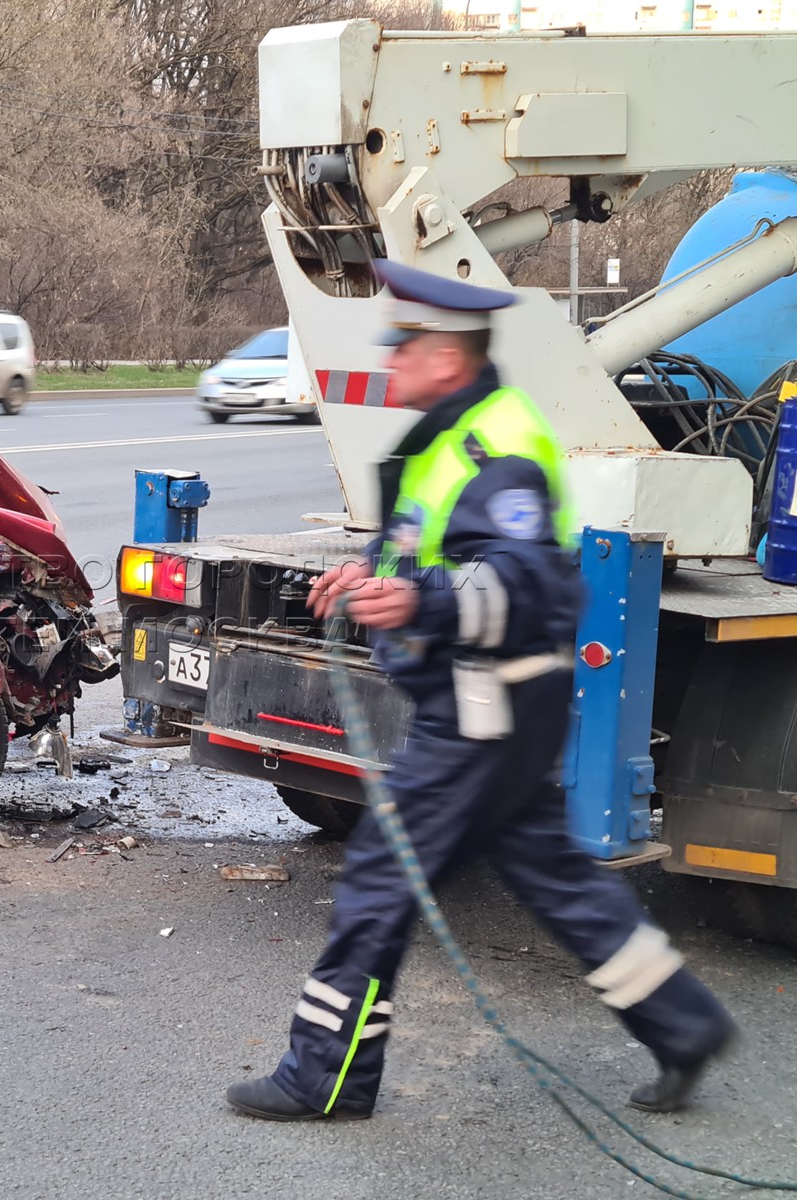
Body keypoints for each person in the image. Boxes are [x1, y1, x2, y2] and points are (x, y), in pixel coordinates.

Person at [224, 260, 736, 1123]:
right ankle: (682, 1025)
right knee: (556, 879)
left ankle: (324, 1076)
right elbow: (442, 561)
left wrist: (416, 599)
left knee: (381, 884)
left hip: (481, 711)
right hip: (494, 707)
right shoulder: (452, 437)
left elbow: (531, 584)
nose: (392, 361)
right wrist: (369, 577)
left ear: (449, 356)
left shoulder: (492, 448)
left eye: (406, 346)